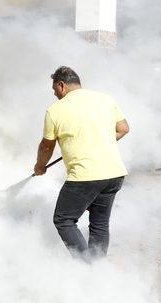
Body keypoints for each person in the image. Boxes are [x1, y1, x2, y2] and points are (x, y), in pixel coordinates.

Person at [33, 66, 130, 261]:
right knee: (99, 224)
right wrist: (99, 142)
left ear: (61, 86)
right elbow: (123, 129)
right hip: (114, 174)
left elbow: (46, 147)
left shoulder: (55, 110)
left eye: (55, 91)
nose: (56, 96)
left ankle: (86, 268)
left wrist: (40, 166)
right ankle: (97, 269)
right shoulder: (105, 99)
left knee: (63, 220)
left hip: (85, 176)